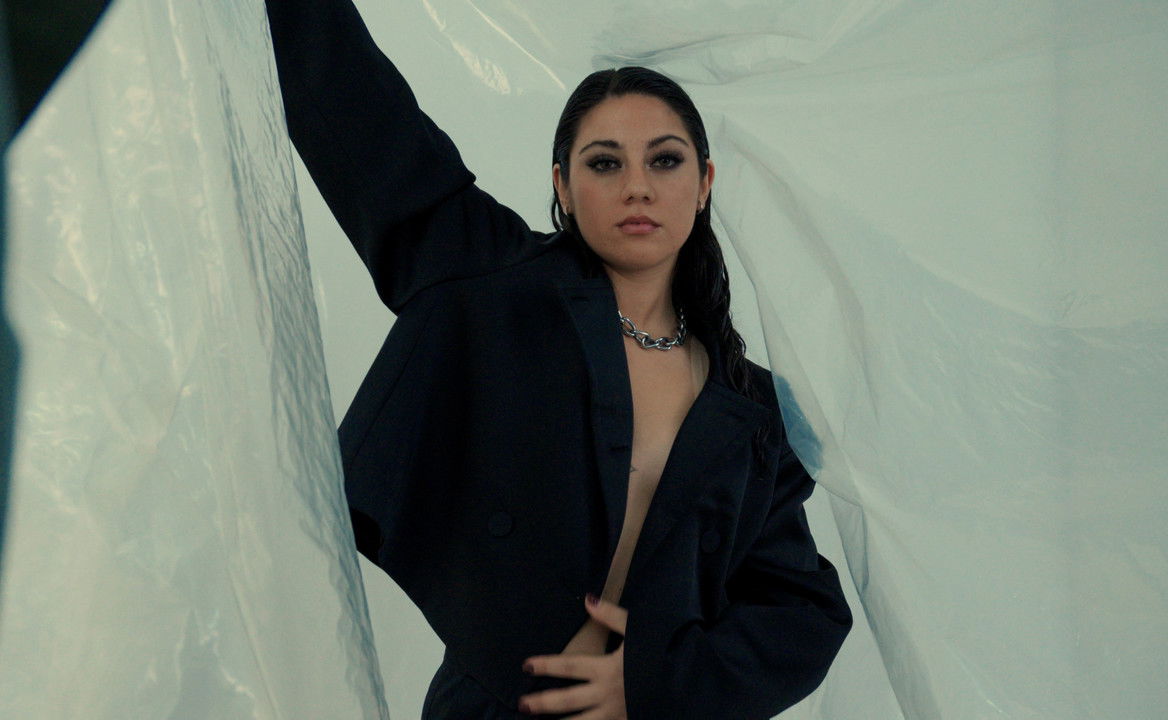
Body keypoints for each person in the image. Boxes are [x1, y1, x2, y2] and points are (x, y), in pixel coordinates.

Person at [265, 1, 852, 717]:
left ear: (704, 184)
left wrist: (657, 681)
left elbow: (802, 612)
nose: (637, 186)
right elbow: (359, 111)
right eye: (604, 162)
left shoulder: (751, 408)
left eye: (664, 159)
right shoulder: (491, 282)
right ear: (563, 189)